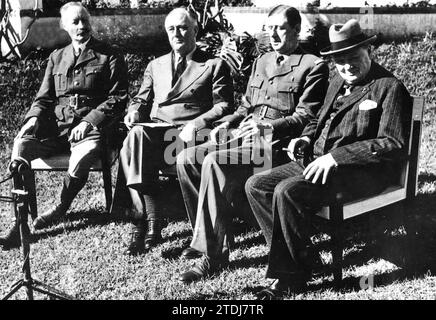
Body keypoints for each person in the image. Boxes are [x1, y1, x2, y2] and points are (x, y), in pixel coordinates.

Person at [245, 19, 412, 299]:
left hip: (358, 172)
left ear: (368, 51)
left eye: (353, 58)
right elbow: (317, 120)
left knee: (287, 191)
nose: (347, 66)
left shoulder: (388, 87)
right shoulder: (336, 81)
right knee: (256, 185)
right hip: (318, 160)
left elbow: (391, 142)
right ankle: (305, 257)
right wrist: (306, 138)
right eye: (340, 61)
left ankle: (289, 279)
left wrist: (336, 157)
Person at [176, 5, 329, 283]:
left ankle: (213, 255)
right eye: (269, 28)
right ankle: (218, 230)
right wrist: (227, 122)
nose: (273, 34)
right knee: (187, 158)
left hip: (276, 146)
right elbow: (247, 105)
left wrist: (268, 126)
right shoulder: (262, 60)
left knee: (215, 161)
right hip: (245, 136)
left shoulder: (313, 65)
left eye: (280, 28)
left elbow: (306, 116)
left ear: (296, 30)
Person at [0, 1, 128, 249]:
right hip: (58, 128)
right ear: (64, 26)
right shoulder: (56, 57)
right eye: (76, 22)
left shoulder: (110, 55)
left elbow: (118, 98)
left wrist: (91, 121)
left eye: (85, 20)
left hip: (92, 131)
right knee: (21, 147)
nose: (82, 26)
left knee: (85, 153)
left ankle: (61, 207)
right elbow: (44, 98)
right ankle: (21, 223)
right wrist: (33, 119)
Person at [116, 7, 234, 256]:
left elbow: (224, 105)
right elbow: (141, 99)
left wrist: (198, 123)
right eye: (171, 29)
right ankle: (148, 220)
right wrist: (134, 111)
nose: (177, 33)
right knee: (135, 135)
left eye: (182, 27)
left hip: (188, 136)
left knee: (133, 145)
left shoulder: (213, 65)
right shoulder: (155, 65)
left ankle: (145, 221)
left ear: (195, 30)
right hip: (157, 133)